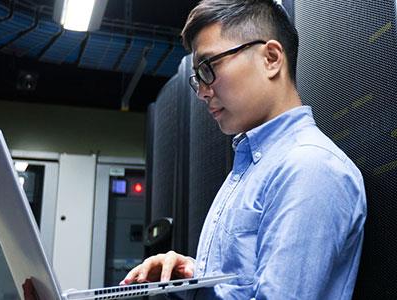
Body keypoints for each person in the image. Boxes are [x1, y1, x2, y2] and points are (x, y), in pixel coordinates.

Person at [121, 0, 366, 298]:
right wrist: (194, 277)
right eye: (197, 76)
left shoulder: (310, 168)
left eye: (208, 68)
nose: (201, 91)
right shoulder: (254, 165)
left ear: (271, 59)